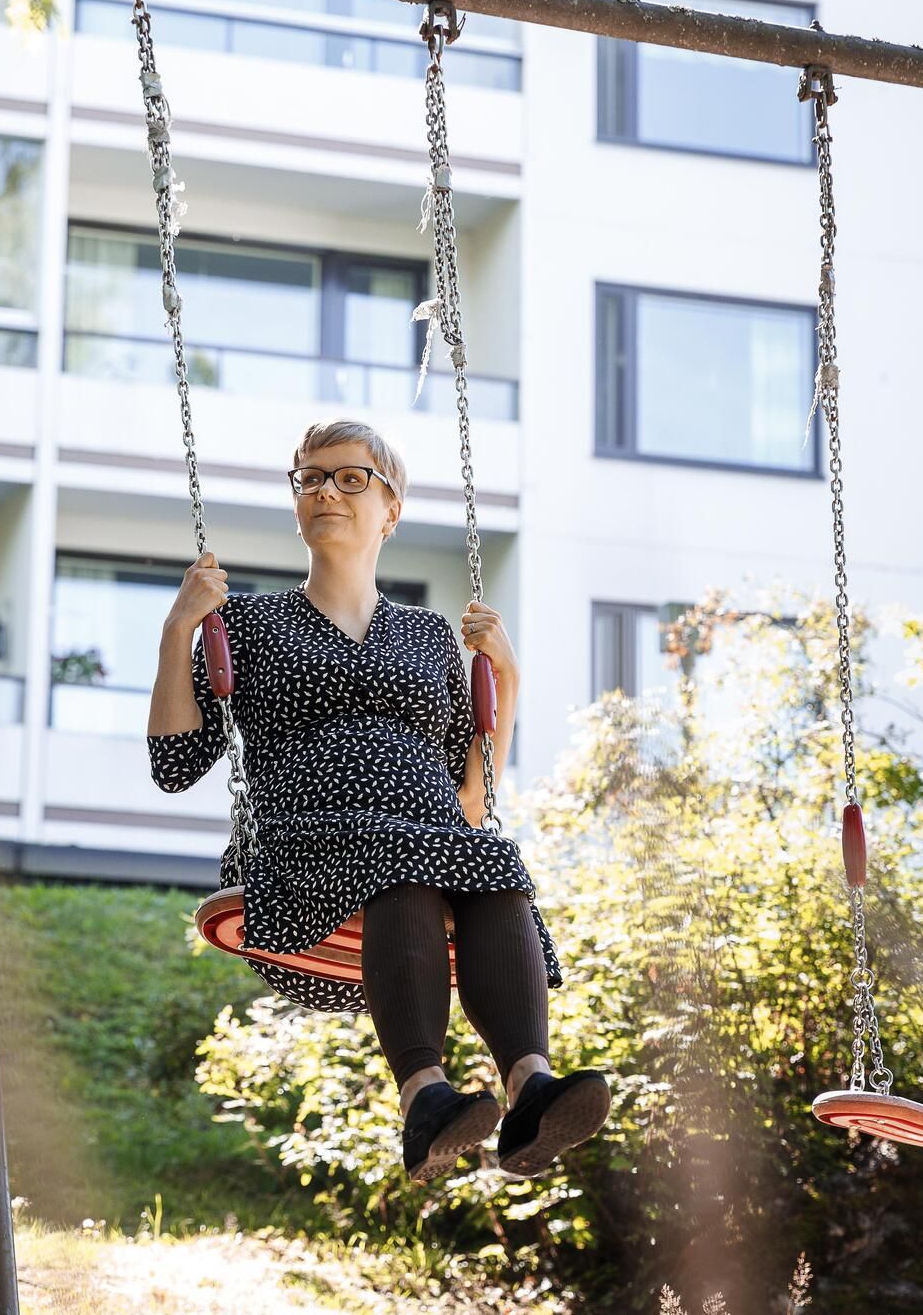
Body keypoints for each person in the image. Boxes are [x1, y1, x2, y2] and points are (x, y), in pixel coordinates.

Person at [148, 418, 610, 1183]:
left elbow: (468, 803)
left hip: (427, 845)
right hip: (302, 857)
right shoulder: (250, 623)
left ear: (390, 509)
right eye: (311, 478)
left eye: (350, 477)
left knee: (489, 856)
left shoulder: (430, 637)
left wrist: (510, 682)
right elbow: (175, 764)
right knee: (405, 850)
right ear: (297, 503)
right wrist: (178, 629)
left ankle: (532, 1088)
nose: (326, 489)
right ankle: (424, 1097)